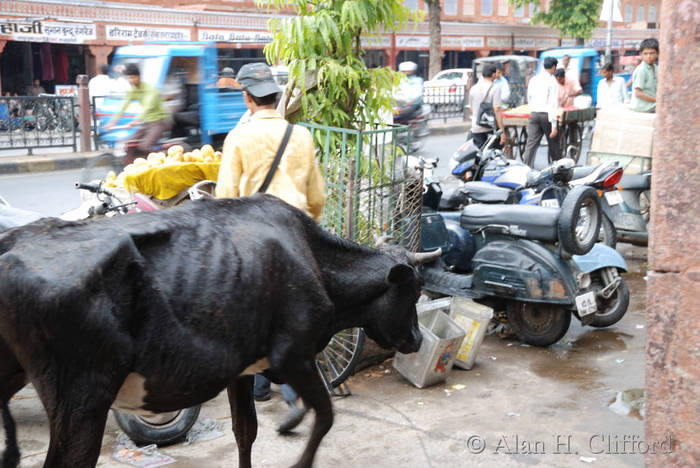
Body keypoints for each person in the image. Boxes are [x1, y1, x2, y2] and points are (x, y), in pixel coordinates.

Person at [215, 62, 325, 433]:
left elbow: (225, 198)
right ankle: (291, 391)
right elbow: (316, 198)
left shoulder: (238, 139)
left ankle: (262, 385)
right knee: (290, 318)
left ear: (247, 97)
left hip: (253, 241)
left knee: (254, 316)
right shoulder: (302, 136)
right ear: (276, 96)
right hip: (294, 238)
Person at [104, 63, 172, 163]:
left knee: (144, 146)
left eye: (133, 77)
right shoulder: (133, 90)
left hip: (159, 122)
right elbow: (123, 106)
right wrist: (113, 121)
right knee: (129, 144)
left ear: (139, 76)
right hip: (146, 123)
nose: (131, 81)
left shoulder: (150, 90)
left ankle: (165, 158)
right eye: (129, 78)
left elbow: (147, 108)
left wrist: (136, 121)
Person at [522, 57, 561, 167]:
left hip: (534, 114)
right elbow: (553, 104)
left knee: (531, 143)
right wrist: (554, 125)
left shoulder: (534, 79)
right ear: (553, 67)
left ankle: (526, 167)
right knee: (553, 143)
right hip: (546, 115)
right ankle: (557, 167)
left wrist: (532, 110)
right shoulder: (552, 81)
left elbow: (529, 97)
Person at [468, 63, 506, 149]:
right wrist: (502, 132)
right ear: (493, 75)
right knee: (492, 156)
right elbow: (497, 110)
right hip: (489, 130)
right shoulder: (495, 89)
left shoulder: (473, 88)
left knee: (477, 157)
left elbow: (471, 108)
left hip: (475, 128)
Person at [629, 38, 659, 113]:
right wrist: (658, 100)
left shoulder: (656, 68)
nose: (648, 56)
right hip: (643, 106)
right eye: (645, 53)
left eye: (652, 53)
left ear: (657, 54)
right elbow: (638, 93)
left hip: (652, 104)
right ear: (641, 54)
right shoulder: (641, 69)